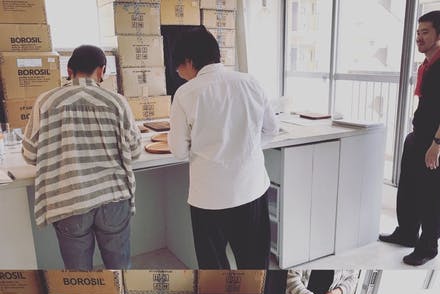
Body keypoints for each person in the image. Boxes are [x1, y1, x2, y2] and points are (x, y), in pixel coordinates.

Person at [168, 26, 279, 270]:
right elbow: (271, 130)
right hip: (251, 189)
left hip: (209, 198)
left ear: (189, 60)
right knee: (254, 267)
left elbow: (178, 150)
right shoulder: (251, 82)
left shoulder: (185, 94)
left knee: (214, 270)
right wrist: (245, 148)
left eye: (178, 65)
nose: (177, 71)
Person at [22, 45, 142, 270]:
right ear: (102, 70)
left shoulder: (45, 102)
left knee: (79, 276)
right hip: (113, 200)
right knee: (120, 272)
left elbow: (30, 154)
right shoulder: (117, 102)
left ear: (69, 71)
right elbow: (135, 151)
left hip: (69, 200)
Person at [379, 11, 440, 266]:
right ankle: (407, 233)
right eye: (418, 32)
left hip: (433, 142)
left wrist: (436, 145)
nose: (419, 38)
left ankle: (428, 246)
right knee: (409, 189)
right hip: (419, 136)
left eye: (425, 32)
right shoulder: (427, 64)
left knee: (429, 195)